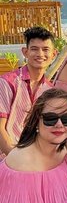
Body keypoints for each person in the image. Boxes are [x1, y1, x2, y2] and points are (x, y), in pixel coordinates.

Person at [0, 26, 57, 155]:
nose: (40, 54)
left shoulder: (49, 90)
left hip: (33, 153)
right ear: (25, 52)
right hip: (7, 157)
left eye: (45, 49)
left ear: (54, 54)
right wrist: (17, 160)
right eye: (34, 49)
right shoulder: (7, 83)